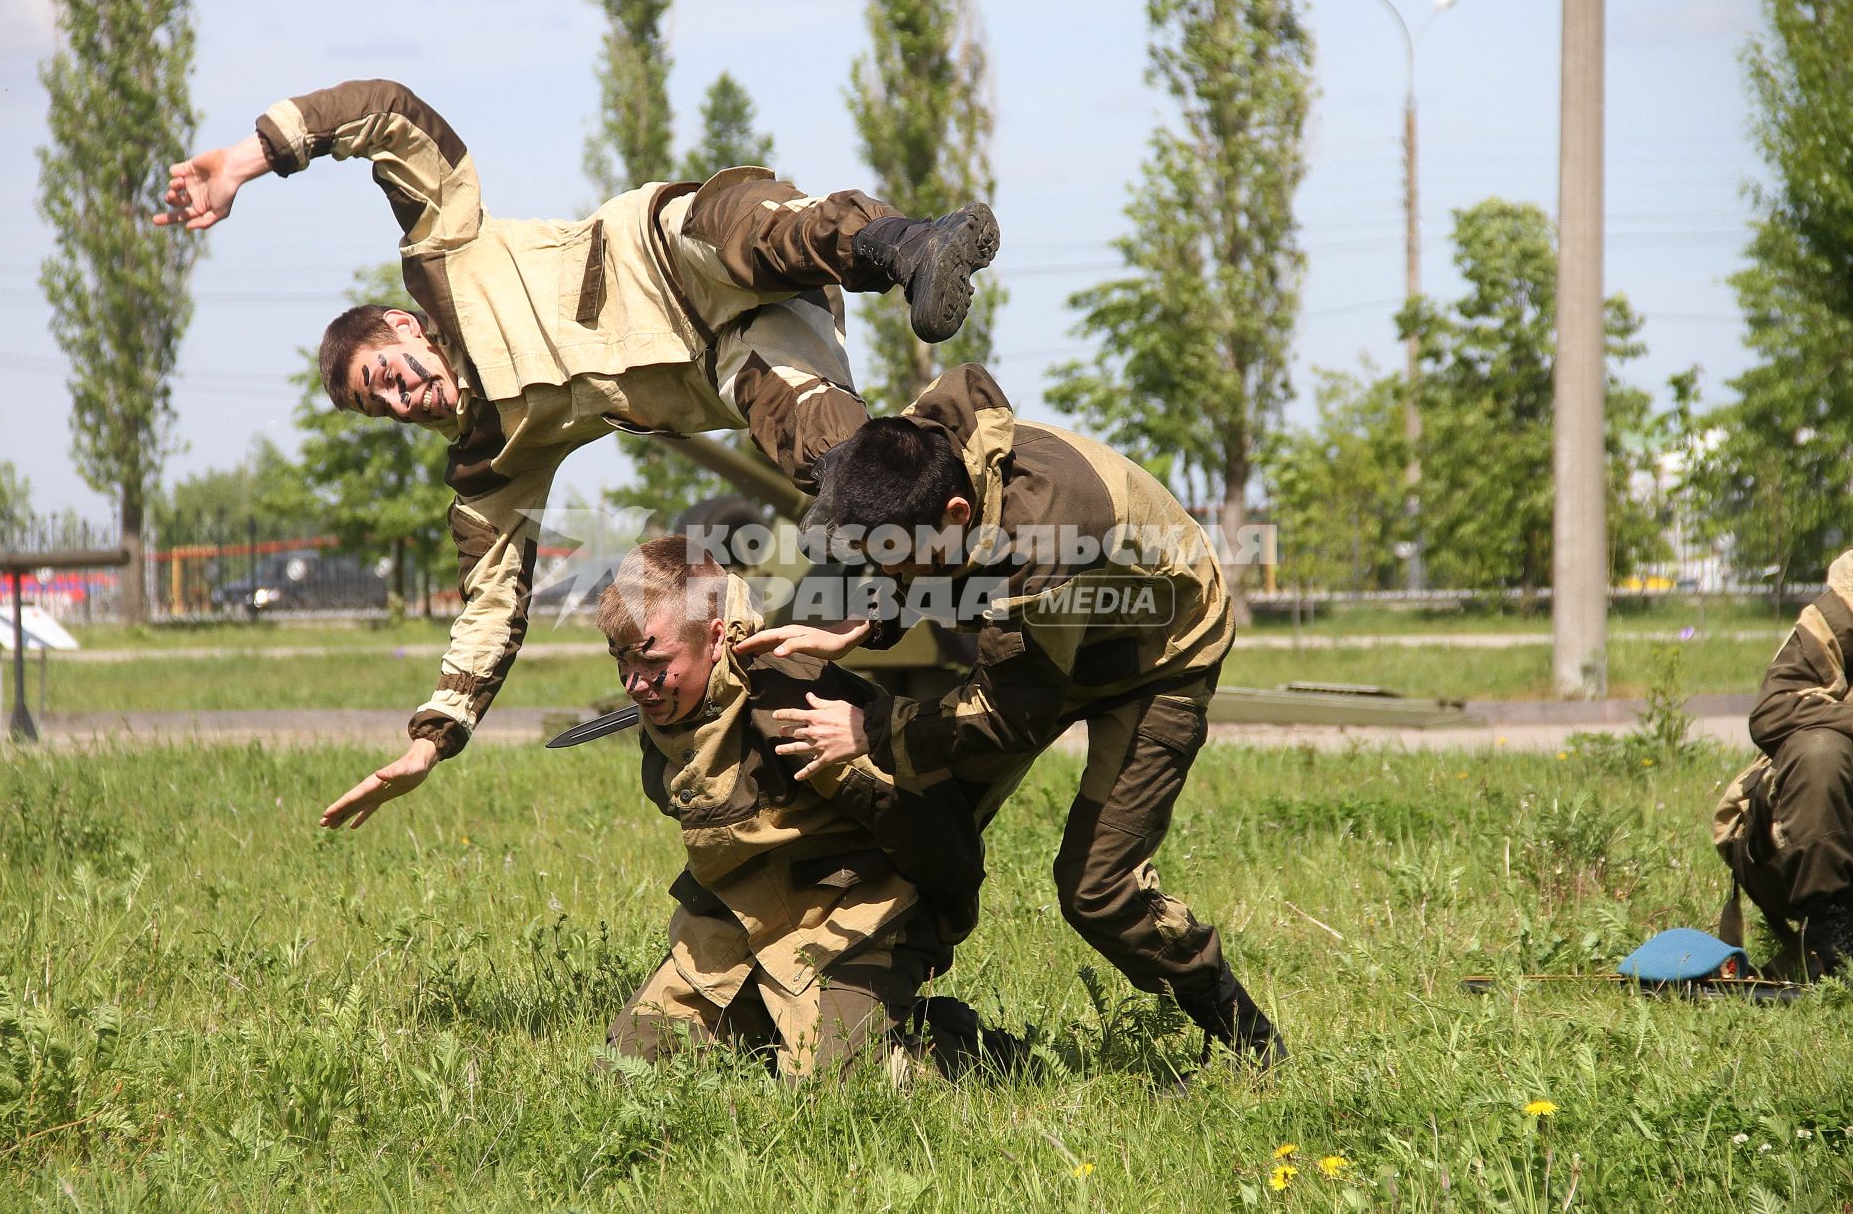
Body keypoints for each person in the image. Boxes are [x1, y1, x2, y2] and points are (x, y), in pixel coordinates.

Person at [151, 79, 1000, 830]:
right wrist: (432, 737)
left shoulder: (442, 254)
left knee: (737, 229)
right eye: (384, 409)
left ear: (405, 329)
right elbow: (489, 609)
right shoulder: (490, 459)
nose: (404, 403)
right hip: (740, 354)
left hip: (672, 254)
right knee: (841, 469)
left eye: (391, 378)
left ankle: (909, 246)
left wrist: (245, 159)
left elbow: (387, 116)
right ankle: (990, 543)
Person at [736, 363, 1286, 1069]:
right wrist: (861, 624)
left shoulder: (1043, 541)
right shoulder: (915, 450)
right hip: (1055, 630)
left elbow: (1009, 717)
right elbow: (912, 552)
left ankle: (1249, 1039)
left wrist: (870, 728)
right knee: (918, 812)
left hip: (1156, 651)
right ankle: (869, 1017)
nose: (883, 569)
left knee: (1099, 892)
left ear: (957, 517)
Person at [591, 536, 994, 1081]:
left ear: (716, 639)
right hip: (742, 912)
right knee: (629, 1065)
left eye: (653, 662)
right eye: (623, 662)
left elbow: (930, 824)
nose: (636, 686)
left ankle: (947, 1041)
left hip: (855, 914)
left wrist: (940, 926)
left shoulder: (793, 710)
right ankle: (769, 1019)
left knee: (831, 1088)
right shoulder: (675, 711)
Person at [1714, 549, 1853, 981]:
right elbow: (1773, 711)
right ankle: (1831, 943)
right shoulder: (1843, 611)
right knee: (1819, 751)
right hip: (1795, 842)